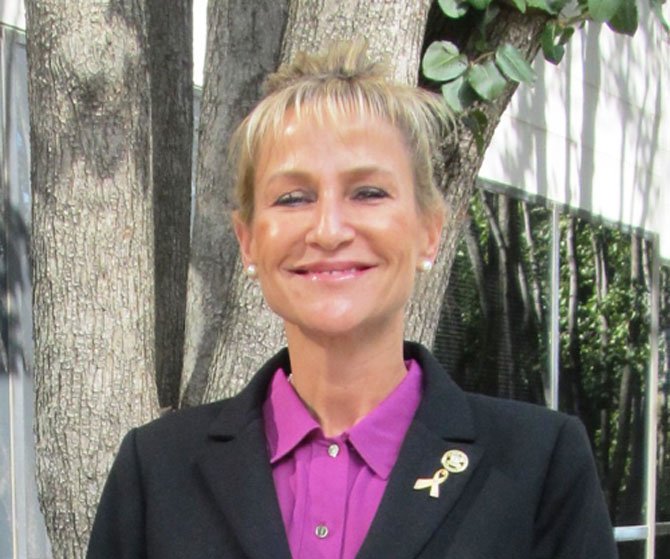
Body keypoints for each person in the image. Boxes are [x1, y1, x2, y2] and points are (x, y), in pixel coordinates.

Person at [87, 41, 617, 559]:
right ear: (248, 240)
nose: (329, 229)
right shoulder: (156, 470)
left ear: (429, 231)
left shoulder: (537, 466)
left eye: (368, 192)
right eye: (293, 197)